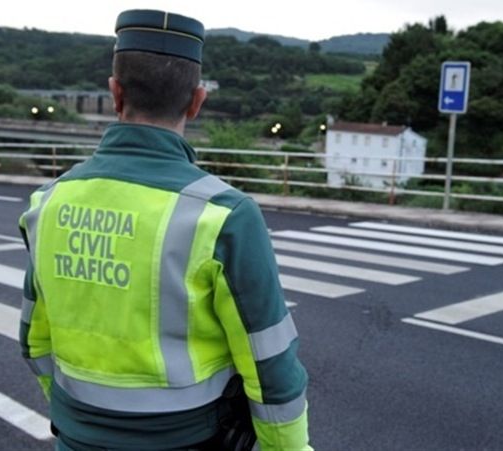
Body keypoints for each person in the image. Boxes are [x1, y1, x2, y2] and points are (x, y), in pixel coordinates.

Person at [18, 9, 312, 451]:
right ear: (196, 101)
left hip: (75, 439)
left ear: (115, 94)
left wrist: (80, 420)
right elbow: (270, 364)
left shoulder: (48, 202)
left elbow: (34, 340)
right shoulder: (224, 214)